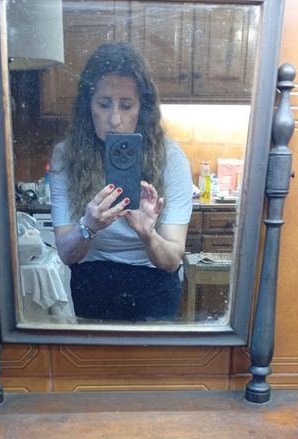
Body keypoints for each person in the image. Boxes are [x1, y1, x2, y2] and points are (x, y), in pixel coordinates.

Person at [50, 42, 193, 322]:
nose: (115, 119)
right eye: (104, 104)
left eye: (127, 106)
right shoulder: (66, 155)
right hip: (93, 279)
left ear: (142, 109)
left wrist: (148, 234)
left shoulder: (172, 158)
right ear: (88, 106)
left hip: (154, 281)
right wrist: (89, 227)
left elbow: (172, 260)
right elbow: (67, 254)